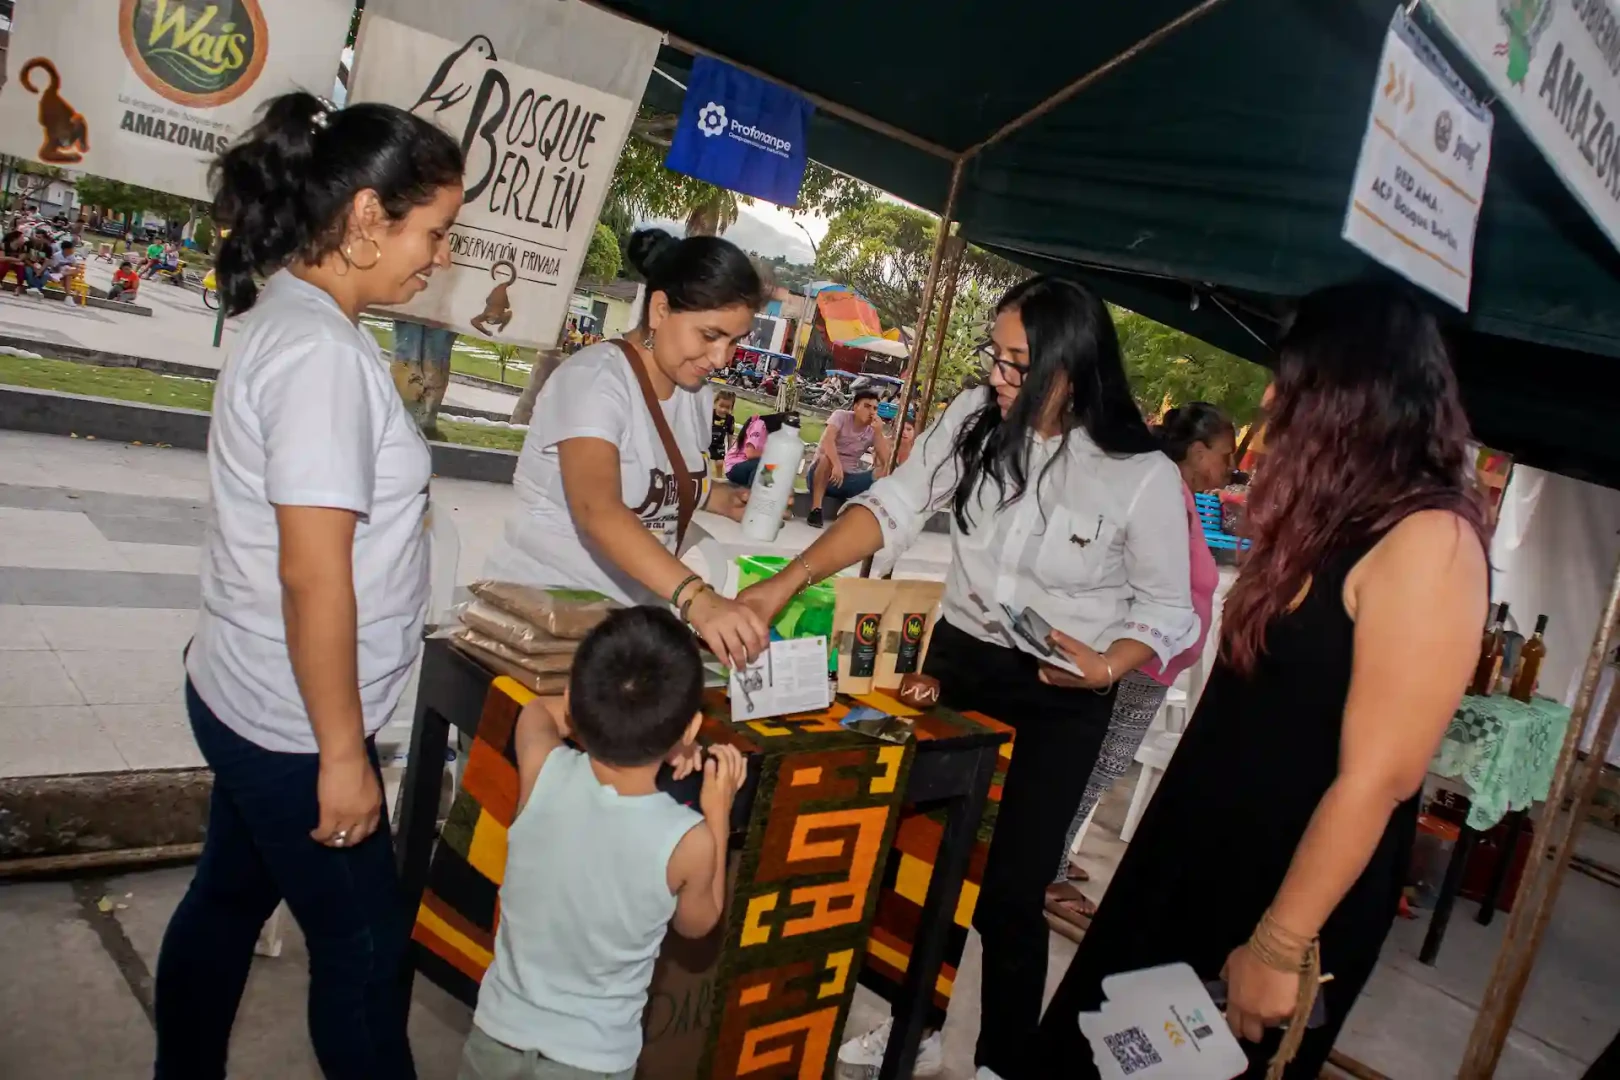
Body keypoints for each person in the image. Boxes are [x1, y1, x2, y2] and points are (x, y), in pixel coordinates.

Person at [740, 276, 1198, 1079]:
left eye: (1019, 362)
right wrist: (789, 579)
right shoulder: (975, 420)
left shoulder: (1138, 474)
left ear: (1073, 364)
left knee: (1015, 892)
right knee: (905, 852)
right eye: (996, 354)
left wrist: (1110, 664)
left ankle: (999, 1062)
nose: (998, 374)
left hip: (1064, 692)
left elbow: (1169, 608)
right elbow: (893, 505)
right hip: (958, 660)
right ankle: (912, 1016)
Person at [1037, 283, 1489, 1080]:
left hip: (1280, 898)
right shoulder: (1334, 515)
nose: (1275, 395)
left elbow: (1379, 777)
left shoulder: (1433, 539)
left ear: (1357, 391)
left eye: (1293, 376)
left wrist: (1280, 942)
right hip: (1194, 857)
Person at [152, 91, 463, 1080]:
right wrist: (342, 753)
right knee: (367, 957)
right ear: (369, 218)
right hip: (293, 724)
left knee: (227, 898)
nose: (442, 257)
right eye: (436, 231)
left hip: (246, 690)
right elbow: (312, 572)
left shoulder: (293, 311)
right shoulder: (321, 353)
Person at [460, 606, 747, 1080]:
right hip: (591, 1062)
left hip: (496, 1037)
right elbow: (700, 923)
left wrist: (647, 733)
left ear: (575, 700)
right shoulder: (687, 839)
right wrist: (717, 808)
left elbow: (539, 710)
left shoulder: (542, 771)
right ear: (691, 728)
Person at [482, 228, 770, 669]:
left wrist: (720, 497)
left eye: (733, 342)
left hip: (623, 630)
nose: (720, 358)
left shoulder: (695, 395)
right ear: (659, 310)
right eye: (710, 335)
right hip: (542, 624)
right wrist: (697, 597)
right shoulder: (596, 380)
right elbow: (599, 509)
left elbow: (654, 478)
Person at [1044, 402, 1234, 925]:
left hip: (1152, 662)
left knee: (1100, 765)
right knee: (1097, 765)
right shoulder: (1164, 494)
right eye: (1226, 454)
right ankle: (1048, 871)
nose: (1230, 467)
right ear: (1197, 451)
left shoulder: (1183, 497)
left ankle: (1055, 855)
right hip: (1136, 659)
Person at [805, 387, 893, 528]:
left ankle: (874, 518)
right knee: (826, 459)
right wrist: (837, 465)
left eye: (875, 409)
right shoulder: (841, 416)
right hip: (822, 474)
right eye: (867, 406)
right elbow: (828, 441)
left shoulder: (872, 430)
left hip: (848, 480)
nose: (871, 411)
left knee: (884, 471)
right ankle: (816, 510)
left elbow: (887, 462)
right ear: (856, 407)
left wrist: (878, 433)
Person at [723, 411, 768, 487]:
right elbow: (750, 454)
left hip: (746, 466)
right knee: (763, 463)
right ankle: (751, 493)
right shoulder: (759, 425)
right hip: (734, 467)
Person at [710, 387, 737, 468]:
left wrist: (729, 448)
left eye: (727, 407)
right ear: (715, 403)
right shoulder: (709, 413)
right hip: (706, 443)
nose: (723, 409)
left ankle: (718, 478)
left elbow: (730, 434)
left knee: (720, 463)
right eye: (721, 406)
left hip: (719, 445)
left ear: (731, 407)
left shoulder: (730, 419)